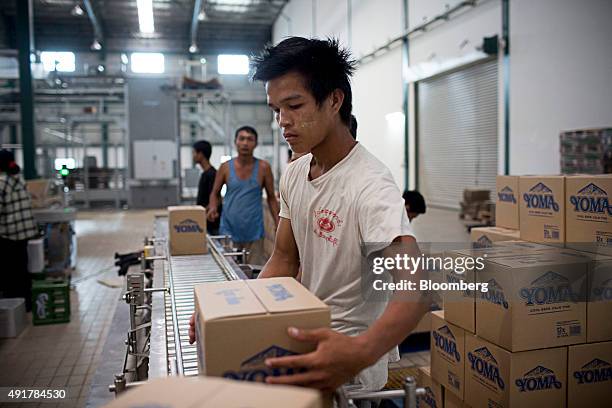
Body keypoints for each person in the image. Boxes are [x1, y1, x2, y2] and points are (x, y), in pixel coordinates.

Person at [190, 37, 427, 392]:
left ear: (334, 100)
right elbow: (284, 259)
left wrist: (361, 351)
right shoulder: (296, 174)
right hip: (303, 339)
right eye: (275, 110)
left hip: (347, 368)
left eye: (295, 105)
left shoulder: (370, 186)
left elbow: (416, 288)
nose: (283, 122)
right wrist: (231, 315)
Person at [207, 126, 280, 265]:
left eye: (250, 139)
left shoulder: (264, 168)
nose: (245, 143)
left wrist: (278, 222)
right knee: (229, 269)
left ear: (256, 144)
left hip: (254, 231)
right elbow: (215, 193)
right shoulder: (225, 167)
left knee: (253, 270)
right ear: (236, 142)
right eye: (242, 139)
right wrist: (212, 207)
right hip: (229, 229)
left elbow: (271, 197)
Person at [0, 150, 39, 312]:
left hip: (8, 235)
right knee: (22, 269)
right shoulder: (19, 179)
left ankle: (11, 307)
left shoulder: (2, 182)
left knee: (9, 272)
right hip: (24, 234)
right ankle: (27, 304)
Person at [192, 140, 220, 234]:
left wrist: (204, 214)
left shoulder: (212, 174)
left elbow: (216, 197)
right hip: (205, 222)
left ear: (201, 154)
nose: (193, 155)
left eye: (194, 152)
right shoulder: (205, 174)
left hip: (212, 223)